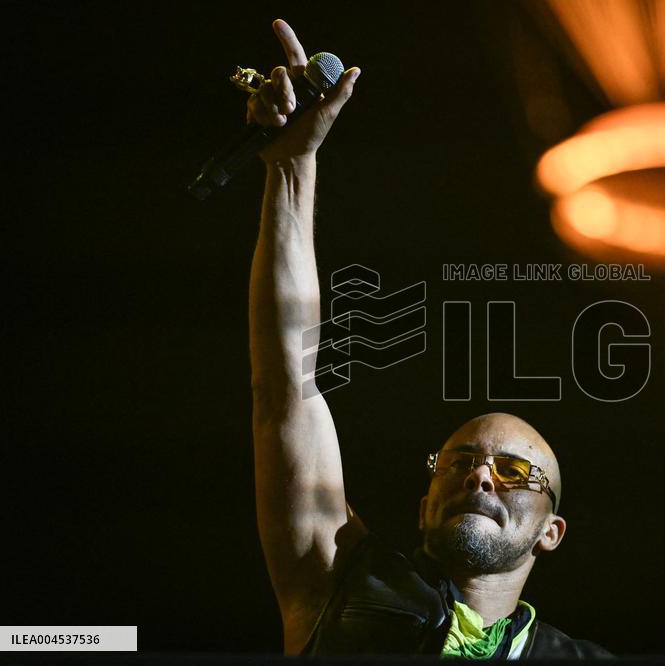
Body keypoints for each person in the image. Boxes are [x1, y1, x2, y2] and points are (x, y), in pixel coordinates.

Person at [246, 19, 612, 658]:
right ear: (424, 505)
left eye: (515, 471)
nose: (481, 478)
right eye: (459, 463)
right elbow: (284, 387)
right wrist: (292, 168)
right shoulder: (337, 579)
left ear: (551, 531)